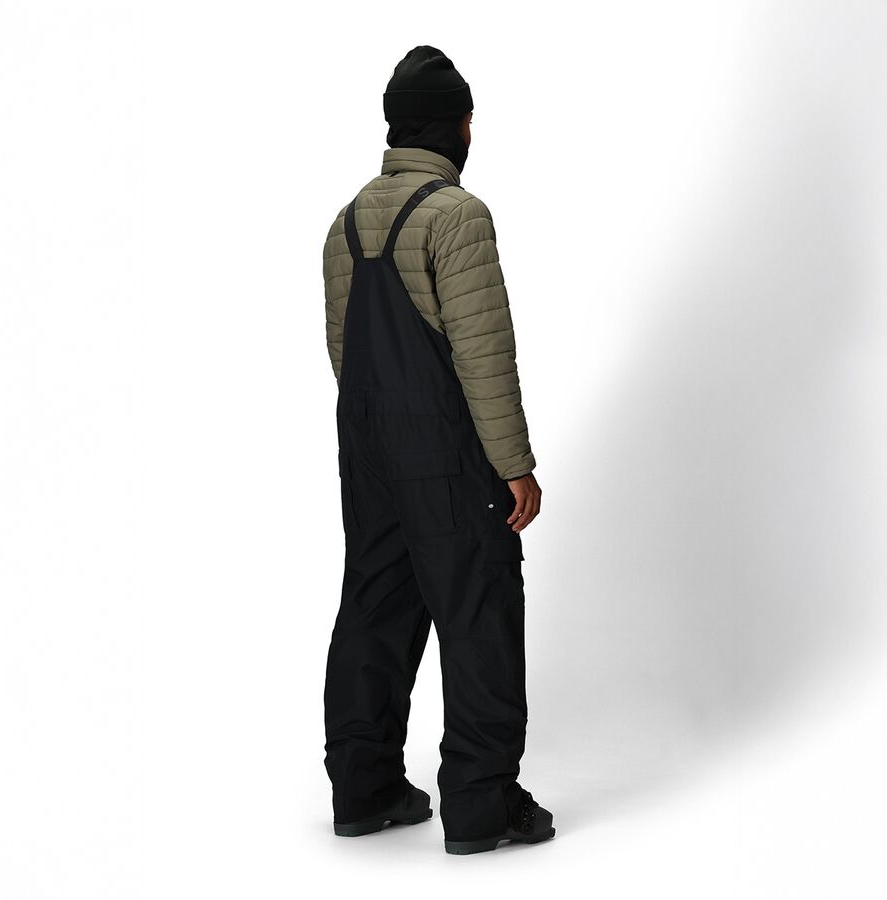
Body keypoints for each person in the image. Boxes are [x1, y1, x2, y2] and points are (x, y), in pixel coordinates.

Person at [321, 45, 554, 855]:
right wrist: (513, 464)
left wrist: (384, 429)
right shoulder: (457, 215)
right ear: (456, 126)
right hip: (445, 454)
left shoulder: (345, 223)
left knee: (375, 605)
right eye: (468, 120)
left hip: (367, 448)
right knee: (478, 607)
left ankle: (364, 787)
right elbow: (483, 355)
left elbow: (343, 352)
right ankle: (482, 805)